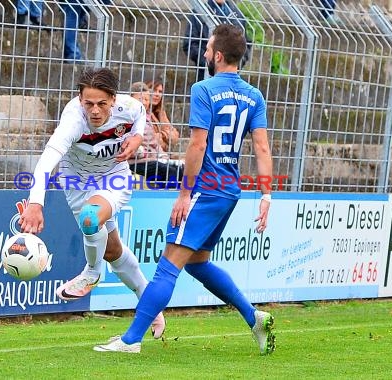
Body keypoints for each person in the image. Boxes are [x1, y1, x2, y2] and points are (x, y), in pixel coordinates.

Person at [94, 24, 276, 354]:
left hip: (205, 190)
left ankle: (131, 340)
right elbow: (262, 148)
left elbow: (197, 143)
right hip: (229, 189)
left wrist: (184, 193)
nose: (204, 53)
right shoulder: (254, 95)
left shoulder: (204, 89)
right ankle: (254, 317)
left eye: (207, 49)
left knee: (168, 265)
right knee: (197, 262)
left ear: (218, 56)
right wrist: (266, 195)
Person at [19, 67, 166, 339]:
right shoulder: (73, 121)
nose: (95, 111)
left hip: (113, 177)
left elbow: (140, 117)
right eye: (88, 103)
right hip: (76, 182)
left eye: (101, 103)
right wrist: (35, 203)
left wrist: (136, 137)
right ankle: (151, 306)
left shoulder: (130, 107)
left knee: (90, 218)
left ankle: (91, 272)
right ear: (80, 99)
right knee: (112, 250)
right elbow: (46, 162)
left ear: (113, 99)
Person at [129, 82, 183, 189]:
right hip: (137, 160)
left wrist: (163, 156)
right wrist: (144, 153)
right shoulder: (128, 118)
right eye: (140, 99)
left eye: (146, 99)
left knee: (181, 169)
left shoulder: (148, 116)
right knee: (170, 172)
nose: (143, 102)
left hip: (153, 158)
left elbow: (164, 139)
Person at [183, 0, 251, 80]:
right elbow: (190, 43)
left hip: (230, 74)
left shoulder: (237, 15)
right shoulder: (199, 13)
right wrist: (209, 61)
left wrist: (234, 63)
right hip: (206, 73)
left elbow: (245, 44)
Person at [145, 79, 180, 152]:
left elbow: (175, 137)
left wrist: (162, 135)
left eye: (160, 92)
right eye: (154, 90)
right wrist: (165, 135)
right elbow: (151, 139)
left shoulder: (160, 112)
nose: (157, 94)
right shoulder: (143, 112)